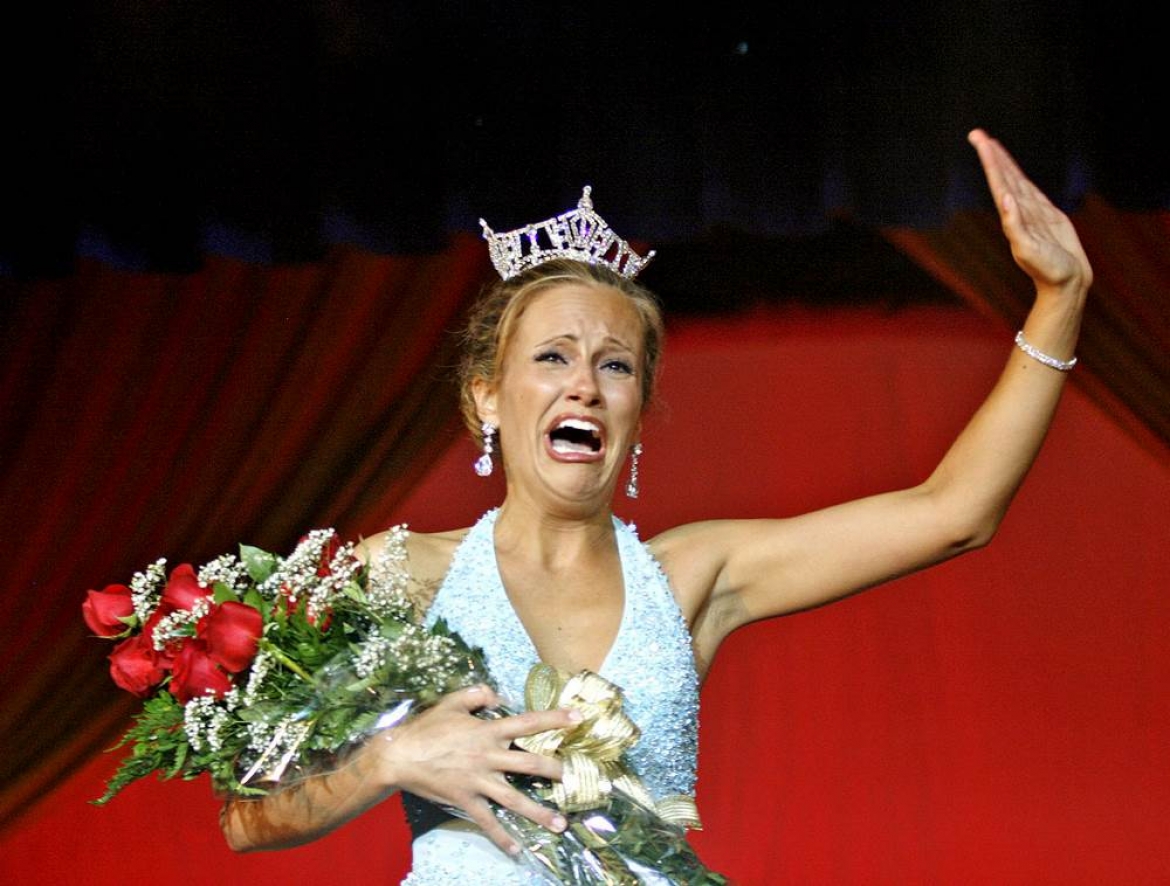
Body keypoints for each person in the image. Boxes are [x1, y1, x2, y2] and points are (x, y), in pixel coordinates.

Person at [220, 129, 1091, 883]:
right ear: (486, 396)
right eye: (553, 357)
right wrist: (388, 759)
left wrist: (1061, 300)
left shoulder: (692, 576)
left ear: (638, 414)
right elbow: (248, 815)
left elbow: (954, 512)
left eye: (616, 365)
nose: (586, 386)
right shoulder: (395, 575)